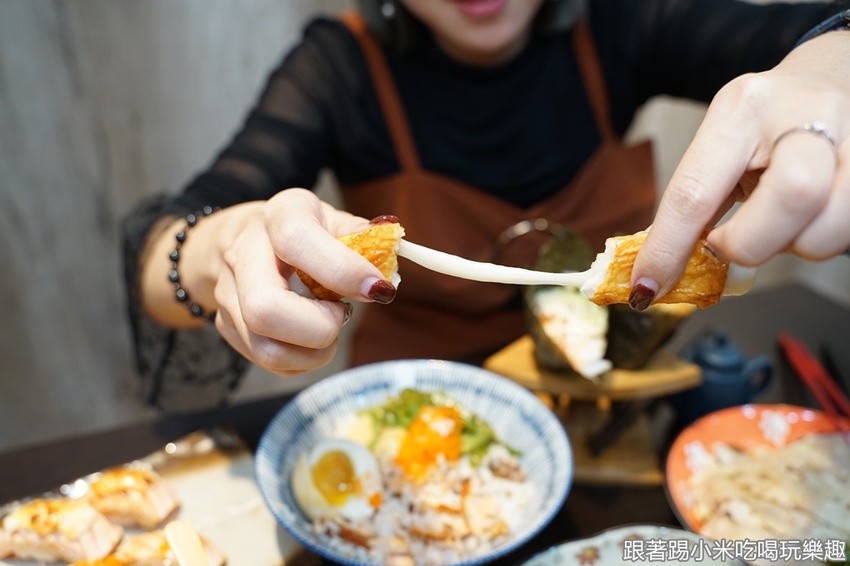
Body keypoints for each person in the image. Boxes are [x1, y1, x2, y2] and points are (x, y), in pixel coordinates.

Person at [123, 0, 850, 412]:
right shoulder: (336, 66)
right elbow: (158, 253)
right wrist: (230, 243)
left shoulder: (620, 21)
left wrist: (831, 59)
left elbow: (814, 27)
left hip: (595, 406)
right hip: (415, 411)